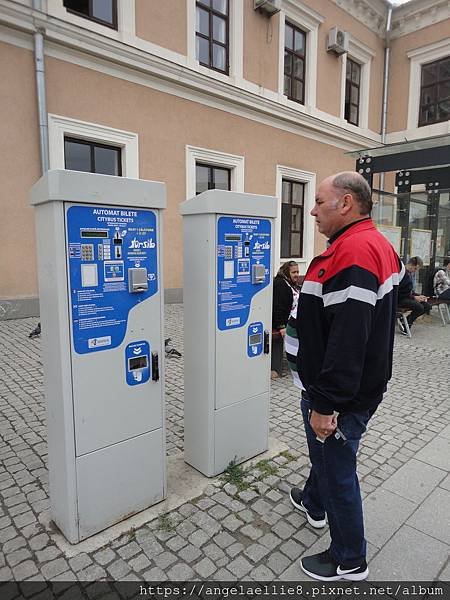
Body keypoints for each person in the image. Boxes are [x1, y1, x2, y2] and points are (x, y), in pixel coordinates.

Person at [289, 171, 404, 582]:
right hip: (360, 385)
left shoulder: (352, 254)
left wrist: (325, 404)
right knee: (327, 457)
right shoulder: (378, 245)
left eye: (319, 202)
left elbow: (348, 339)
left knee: (337, 466)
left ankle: (349, 558)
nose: (313, 209)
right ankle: (314, 503)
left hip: (339, 393)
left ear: (346, 204)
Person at [397, 256, 431, 334]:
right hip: (400, 298)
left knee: (427, 306)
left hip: (407, 297)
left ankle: (405, 321)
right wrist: (414, 297)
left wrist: (419, 296)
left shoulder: (410, 274)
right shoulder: (402, 273)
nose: (415, 271)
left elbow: (409, 290)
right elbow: (400, 291)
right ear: (411, 265)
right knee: (419, 307)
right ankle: (406, 325)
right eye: (415, 269)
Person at [272, 260, 301, 337]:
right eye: (293, 272)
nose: (296, 275)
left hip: (295, 324)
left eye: (297, 272)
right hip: (286, 326)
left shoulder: (292, 284)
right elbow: (278, 306)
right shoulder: (281, 284)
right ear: (286, 272)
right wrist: (281, 326)